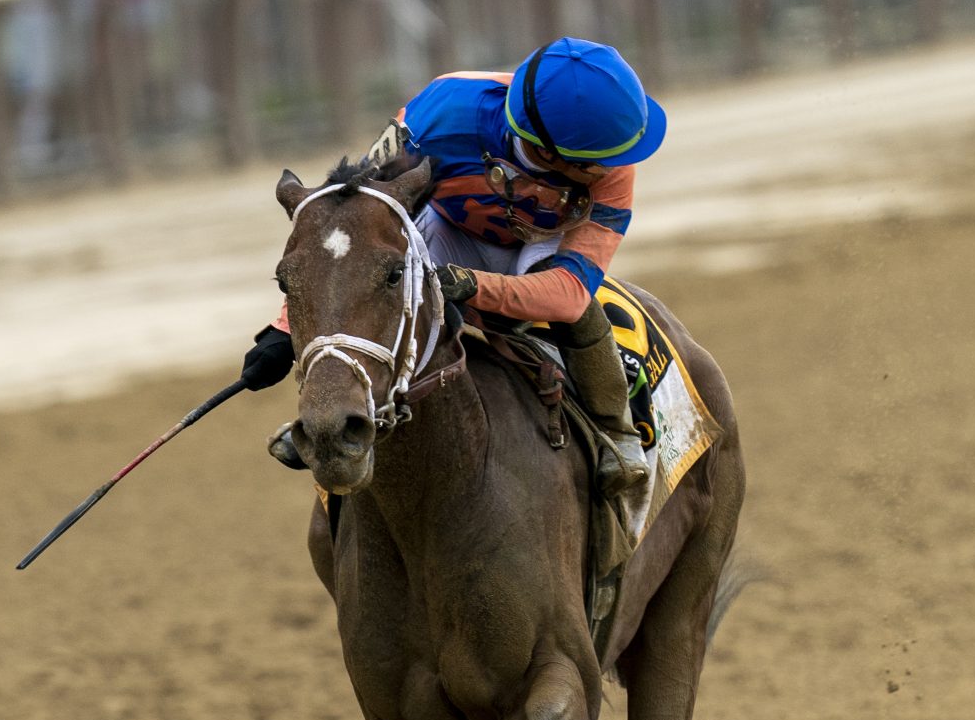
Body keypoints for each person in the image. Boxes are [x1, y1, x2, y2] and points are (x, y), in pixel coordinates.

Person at [242, 36, 667, 493]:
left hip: (546, 247)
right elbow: (348, 225)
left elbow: (566, 294)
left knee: (574, 314)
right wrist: (284, 331)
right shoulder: (437, 115)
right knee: (382, 276)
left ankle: (615, 432)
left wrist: (475, 286)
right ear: (546, 151)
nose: (617, 168)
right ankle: (332, 412)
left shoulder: (614, 166)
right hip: (448, 226)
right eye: (598, 163)